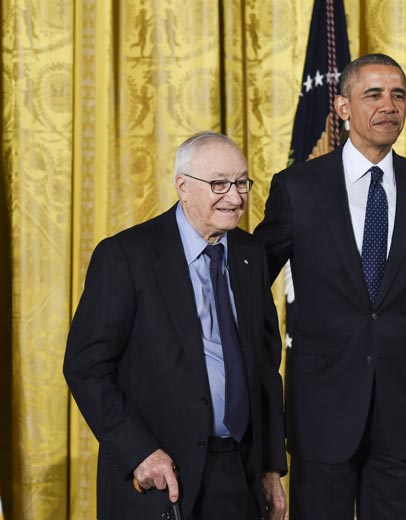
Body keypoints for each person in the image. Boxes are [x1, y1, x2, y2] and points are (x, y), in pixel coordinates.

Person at [255, 53, 406, 519]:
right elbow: (251, 282)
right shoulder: (298, 188)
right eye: (373, 94)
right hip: (321, 411)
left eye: (398, 94)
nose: (388, 105)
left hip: (403, 414)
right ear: (342, 107)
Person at [63, 132, 287, 520]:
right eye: (219, 184)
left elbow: (265, 371)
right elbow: (86, 367)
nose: (234, 198)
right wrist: (140, 452)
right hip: (160, 474)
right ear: (182, 186)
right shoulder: (126, 255)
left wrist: (269, 467)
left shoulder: (250, 255)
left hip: (238, 472)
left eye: (241, 183)